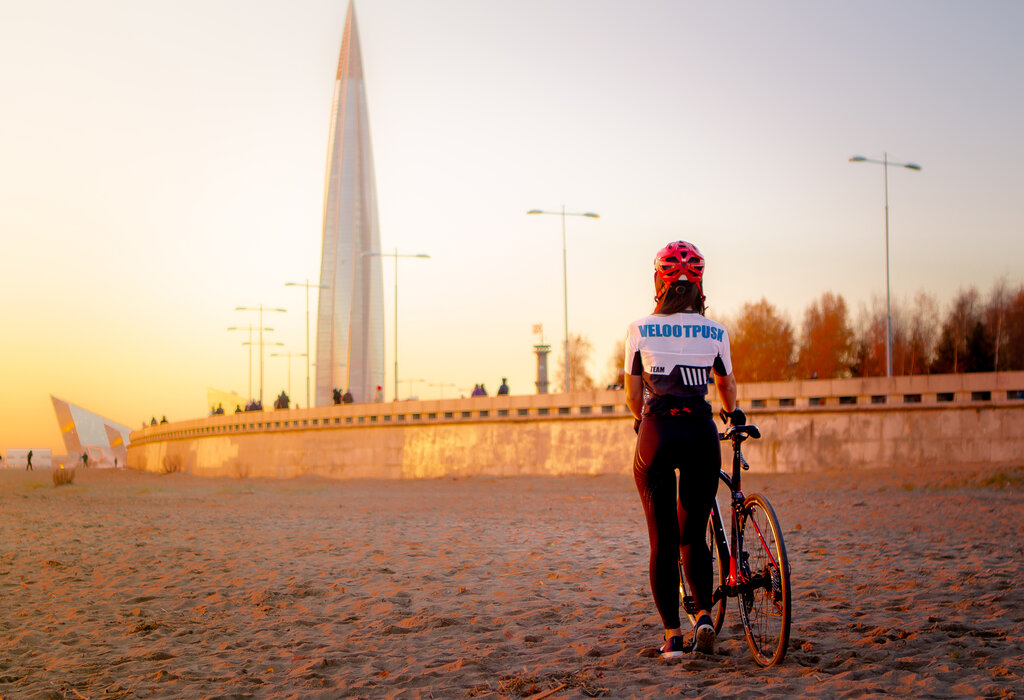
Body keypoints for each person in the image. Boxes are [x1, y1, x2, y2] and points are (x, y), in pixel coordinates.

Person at [624, 241, 745, 660]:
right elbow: (727, 389)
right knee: (694, 534)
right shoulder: (716, 332)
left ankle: (673, 636)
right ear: (699, 285)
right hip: (700, 434)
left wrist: (643, 419)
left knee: (663, 539)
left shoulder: (640, 328)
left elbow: (632, 395)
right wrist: (733, 414)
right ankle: (706, 616)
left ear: (659, 282)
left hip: (658, 433)